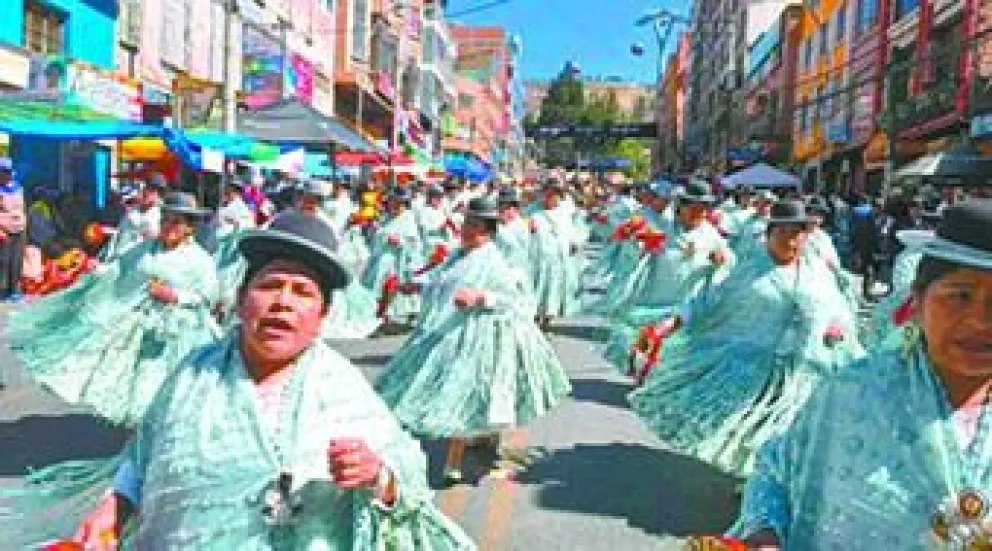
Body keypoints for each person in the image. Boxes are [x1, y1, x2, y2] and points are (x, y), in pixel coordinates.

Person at [7, 212, 478, 550]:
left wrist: (379, 477)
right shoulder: (193, 374)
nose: (283, 303)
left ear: (321, 316)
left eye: (303, 293)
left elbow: (407, 483)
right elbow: (143, 454)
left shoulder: (345, 392)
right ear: (241, 298)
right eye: (270, 285)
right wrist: (117, 504)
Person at [730, 200, 992, 550]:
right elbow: (776, 468)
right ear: (916, 301)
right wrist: (765, 533)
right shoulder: (851, 393)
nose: (981, 320)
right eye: (960, 295)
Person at [629, 200, 865, 477]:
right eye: (783, 232)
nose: (791, 240)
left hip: (803, 369)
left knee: (788, 430)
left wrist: (836, 329)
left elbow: (837, 311)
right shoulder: (748, 272)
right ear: (768, 235)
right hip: (753, 369)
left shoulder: (817, 272)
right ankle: (757, 481)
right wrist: (667, 326)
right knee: (753, 428)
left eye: (798, 232)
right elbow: (707, 301)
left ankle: (766, 479)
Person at [376, 198, 570, 482]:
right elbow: (440, 281)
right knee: (451, 394)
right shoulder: (458, 255)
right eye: (467, 223)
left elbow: (515, 300)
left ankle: (453, 463)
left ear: (489, 231)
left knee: (459, 395)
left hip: (477, 337)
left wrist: (481, 298)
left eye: (475, 226)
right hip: (448, 333)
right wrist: (412, 286)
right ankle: (483, 437)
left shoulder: (493, 261)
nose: (467, 230)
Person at [7, 192, 220, 427]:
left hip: (178, 335)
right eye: (165, 220)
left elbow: (207, 297)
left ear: (189, 228)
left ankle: (162, 427)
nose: (168, 226)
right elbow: (119, 267)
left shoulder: (199, 260)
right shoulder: (146, 249)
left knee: (169, 385)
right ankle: (143, 430)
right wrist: (95, 269)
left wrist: (175, 295)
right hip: (143, 328)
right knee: (139, 382)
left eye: (176, 222)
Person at [530, 179, 586, 328]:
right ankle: (535, 315)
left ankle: (548, 317)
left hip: (559, 257)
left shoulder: (566, 211)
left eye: (554, 194)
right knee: (538, 287)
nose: (550, 197)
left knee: (554, 287)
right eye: (547, 193)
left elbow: (574, 229)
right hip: (538, 257)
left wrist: (574, 242)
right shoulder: (532, 211)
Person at [101, 173, 166, 262]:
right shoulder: (134, 210)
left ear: (159, 196)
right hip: (114, 257)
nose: (147, 193)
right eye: (146, 188)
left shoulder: (159, 217)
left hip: (135, 262)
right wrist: (108, 231)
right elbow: (122, 232)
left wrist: (157, 235)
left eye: (152, 191)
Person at [0, 158, 26, 301]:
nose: (8, 174)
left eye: (9, 172)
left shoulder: (18, 188)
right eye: (4, 172)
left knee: (17, 260)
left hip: (20, 229)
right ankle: (3, 291)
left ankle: (15, 290)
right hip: (4, 230)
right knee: (4, 261)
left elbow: (21, 208)